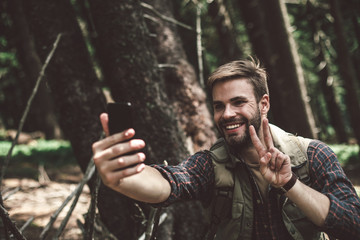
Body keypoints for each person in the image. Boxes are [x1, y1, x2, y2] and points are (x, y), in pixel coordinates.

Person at [92, 58, 360, 239]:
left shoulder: (314, 155)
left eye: (238, 102)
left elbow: (352, 224)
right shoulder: (211, 164)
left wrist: (290, 183)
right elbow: (170, 183)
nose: (226, 114)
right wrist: (127, 176)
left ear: (264, 104)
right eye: (219, 105)